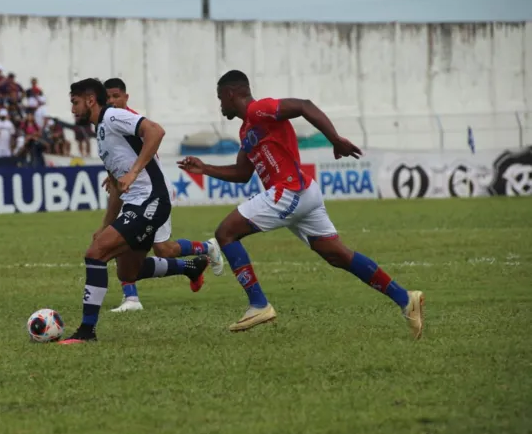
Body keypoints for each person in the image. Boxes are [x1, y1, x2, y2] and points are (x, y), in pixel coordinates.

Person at [178, 70, 425, 338]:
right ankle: (405, 299)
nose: (220, 106)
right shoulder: (246, 129)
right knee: (338, 255)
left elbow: (304, 106)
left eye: (220, 99)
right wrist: (205, 168)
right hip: (304, 193)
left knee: (225, 233)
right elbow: (242, 173)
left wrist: (336, 139)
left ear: (230, 93)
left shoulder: (259, 110)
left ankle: (259, 304)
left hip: (289, 191)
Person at [60, 78, 210, 344]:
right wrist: (105, 225)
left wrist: (135, 170)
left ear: (90, 100)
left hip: (150, 201)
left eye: (75, 102)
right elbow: (118, 188)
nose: (72, 109)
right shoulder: (101, 135)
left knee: (95, 255)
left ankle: (86, 332)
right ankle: (191, 265)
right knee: (128, 273)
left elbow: (156, 131)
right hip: (136, 203)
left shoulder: (113, 116)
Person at [104, 77, 225, 313]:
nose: (111, 101)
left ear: (126, 98)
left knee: (163, 250)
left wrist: (132, 171)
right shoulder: (107, 121)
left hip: (151, 190)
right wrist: (115, 174)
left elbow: (153, 139)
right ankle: (132, 298)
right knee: (121, 242)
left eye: (116, 96)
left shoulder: (128, 119)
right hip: (132, 191)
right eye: (107, 97)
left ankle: (206, 248)